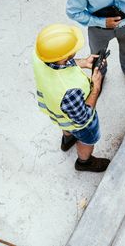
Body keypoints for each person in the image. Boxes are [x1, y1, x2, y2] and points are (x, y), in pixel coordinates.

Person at [32, 23, 110, 172]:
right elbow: (83, 118)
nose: (76, 50)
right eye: (72, 51)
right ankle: (84, 162)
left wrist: (82, 63)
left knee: (66, 126)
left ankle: (67, 140)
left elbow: (58, 65)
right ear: (64, 57)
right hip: (79, 122)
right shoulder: (70, 91)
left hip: (55, 110)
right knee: (87, 139)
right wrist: (96, 86)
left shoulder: (38, 55)